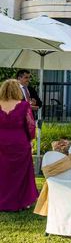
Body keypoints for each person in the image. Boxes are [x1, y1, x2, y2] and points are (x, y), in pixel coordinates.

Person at [0, 79, 37, 211]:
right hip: (19, 142)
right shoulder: (24, 106)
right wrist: (31, 139)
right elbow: (31, 126)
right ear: (17, 90)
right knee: (20, 174)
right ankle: (20, 202)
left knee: (3, 173)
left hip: (1, 144)